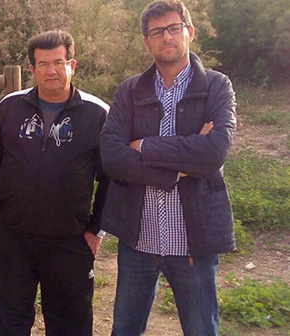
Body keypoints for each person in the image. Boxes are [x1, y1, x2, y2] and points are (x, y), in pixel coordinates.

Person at [100, 1, 237, 335]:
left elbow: (213, 153)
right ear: (146, 41)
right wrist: (175, 170)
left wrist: (144, 145)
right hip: (138, 242)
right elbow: (112, 155)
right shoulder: (129, 91)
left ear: (189, 32)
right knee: (124, 330)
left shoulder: (217, 86)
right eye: (157, 32)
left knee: (201, 329)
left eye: (174, 28)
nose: (167, 37)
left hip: (192, 242)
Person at [0, 30, 109, 336]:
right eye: (43, 64)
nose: (52, 70)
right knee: (6, 325)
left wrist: (95, 231)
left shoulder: (97, 113)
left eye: (59, 62)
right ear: (32, 70)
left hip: (70, 243)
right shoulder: (9, 108)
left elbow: (111, 178)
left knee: (71, 327)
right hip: (9, 240)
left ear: (72, 66)